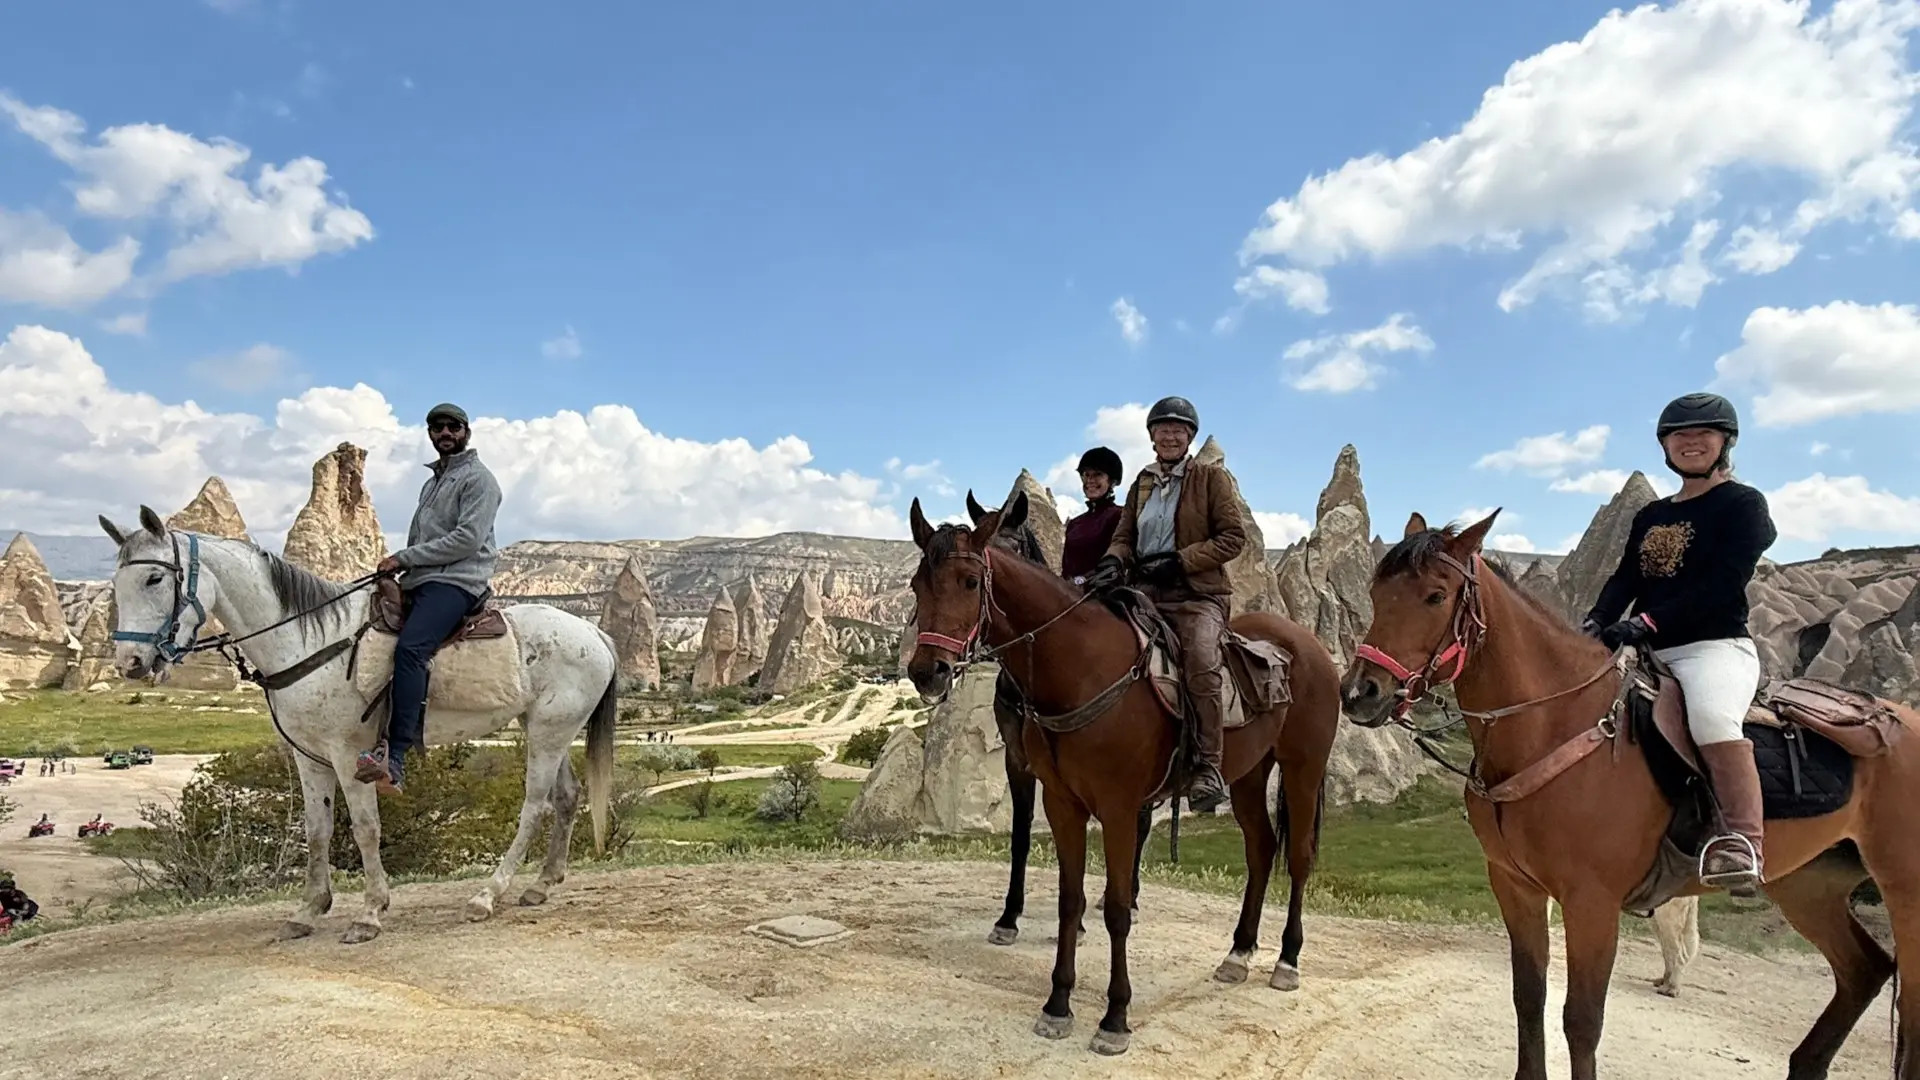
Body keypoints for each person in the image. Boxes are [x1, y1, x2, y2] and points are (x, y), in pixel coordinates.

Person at [1582, 391, 1777, 896]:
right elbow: (1626, 575)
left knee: (1712, 718)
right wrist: (1598, 619)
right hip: (1646, 648)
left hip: (1712, 647)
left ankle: (1742, 843)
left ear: (1725, 443)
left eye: (1702, 434)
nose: (1690, 443)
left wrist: (1646, 622)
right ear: (1666, 446)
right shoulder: (1651, 515)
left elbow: (1722, 584)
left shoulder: (1743, 505)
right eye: (1679, 436)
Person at [1086, 396, 1247, 813]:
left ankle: (1208, 767)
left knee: (1201, 661)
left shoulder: (1211, 479)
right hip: (1145, 593)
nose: (1170, 435)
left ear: (1190, 437)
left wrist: (1181, 562)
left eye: (1179, 429)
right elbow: (1124, 536)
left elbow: (1233, 538)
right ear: (1152, 436)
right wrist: (1111, 561)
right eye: (1163, 429)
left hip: (1196, 596)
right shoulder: (1143, 482)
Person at [356, 403, 504, 795]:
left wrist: (402, 558)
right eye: (437, 427)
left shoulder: (480, 481)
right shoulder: (432, 482)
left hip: (457, 581)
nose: (444, 433)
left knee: (410, 649)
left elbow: (466, 540)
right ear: (430, 435)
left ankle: (397, 755)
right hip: (422, 579)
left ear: (467, 432)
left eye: (452, 426)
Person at [1061, 446, 1126, 586]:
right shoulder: (1074, 524)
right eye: (1086, 475)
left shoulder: (1120, 515)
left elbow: (1121, 560)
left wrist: (1083, 580)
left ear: (1112, 482)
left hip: (1106, 590)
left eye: (1097, 475)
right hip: (1070, 592)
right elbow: (1066, 570)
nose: (1090, 480)